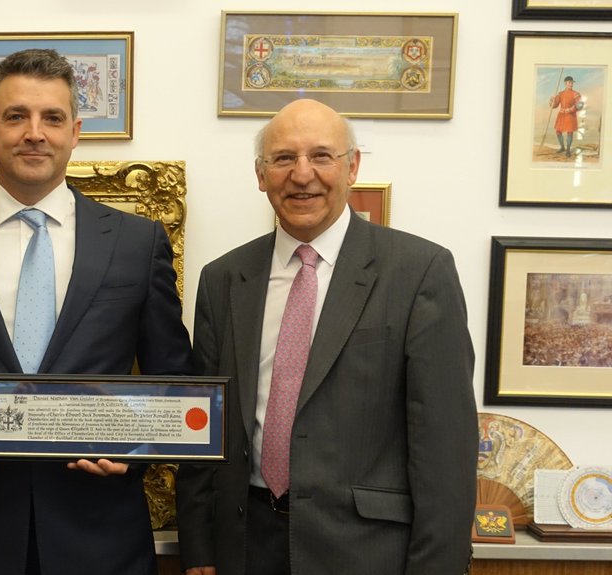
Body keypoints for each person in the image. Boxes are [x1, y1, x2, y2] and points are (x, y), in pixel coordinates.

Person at [0, 48, 192, 575]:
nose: (34, 132)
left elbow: (176, 379)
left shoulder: (137, 243)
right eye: (16, 116)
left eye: (51, 118)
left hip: (101, 538)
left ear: (75, 131)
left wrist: (136, 448)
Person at [175, 99, 477, 575]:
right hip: (245, 545)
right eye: (283, 159)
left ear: (352, 166)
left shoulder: (419, 273)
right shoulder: (224, 279)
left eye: (321, 156)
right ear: (260, 174)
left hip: (368, 553)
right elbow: (205, 425)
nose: (302, 175)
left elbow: (445, 449)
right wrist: (198, 549)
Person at [550, 76, 582, 157]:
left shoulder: (576, 94)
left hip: (570, 115)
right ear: (565, 83)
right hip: (561, 115)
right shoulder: (560, 94)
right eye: (569, 82)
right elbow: (555, 105)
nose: (571, 84)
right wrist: (552, 100)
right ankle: (562, 147)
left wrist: (570, 110)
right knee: (558, 132)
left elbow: (579, 105)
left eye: (572, 83)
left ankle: (568, 150)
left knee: (569, 132)